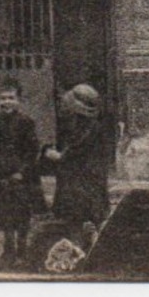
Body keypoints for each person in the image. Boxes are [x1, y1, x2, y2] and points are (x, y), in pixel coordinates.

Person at [0, 78, 45, 267]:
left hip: (21, 178)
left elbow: (32, 150)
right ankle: (8, 251)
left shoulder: (26, 122)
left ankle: (22, 252)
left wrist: (22, 172)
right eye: (2, 98)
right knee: (4, 215)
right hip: (0, 176)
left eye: (11, 98)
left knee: (22, 215)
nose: (6, 102)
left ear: (19, 100)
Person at [44, 84, 110, 226]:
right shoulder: (86, 125)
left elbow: (74, 152)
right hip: (87, 180)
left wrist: (55, 155)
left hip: (82, 183)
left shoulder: (87, 127)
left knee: (79, 220)